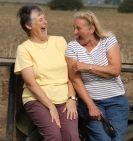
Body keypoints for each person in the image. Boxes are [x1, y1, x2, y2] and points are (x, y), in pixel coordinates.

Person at [14, 5, 80, 141]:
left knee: (72, 137)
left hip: (64, 98)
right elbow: (30, 83)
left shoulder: (60, 41)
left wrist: (72, 99)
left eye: (44, 18)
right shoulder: (24, 49)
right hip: (37, 99)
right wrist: (50, 106)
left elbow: (71, 74)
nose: (45, 22)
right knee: (53, 136)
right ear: (28, 26)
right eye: (39, 19)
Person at [65, 11, 129, 141]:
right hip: (92, 102)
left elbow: (115, 70)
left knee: (116, 139)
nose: (75, 32)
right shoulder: (72, 47)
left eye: (78, 28)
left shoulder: (109, 40)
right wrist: (91, 106)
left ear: (92, 29)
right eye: (74, 28)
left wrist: (86, 67)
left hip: (116, 101)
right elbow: (75, 80)